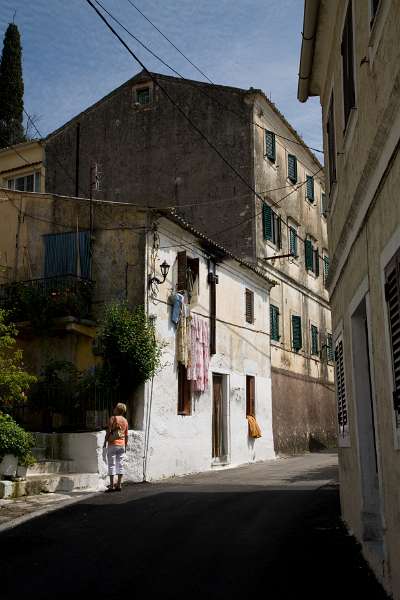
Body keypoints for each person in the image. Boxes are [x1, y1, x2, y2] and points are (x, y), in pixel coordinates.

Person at [103, 403, 128, 492]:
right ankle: (119, 484)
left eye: (115, 408)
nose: (114, 409)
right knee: (120, 464)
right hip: (121, 444)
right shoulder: (125, 420)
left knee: (112, 464)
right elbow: (126, 434)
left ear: (117, 410)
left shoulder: (113, 418)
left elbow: (109, 431)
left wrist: (105, 441)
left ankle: (111, 486)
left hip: (113, 443)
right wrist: (125, 445)